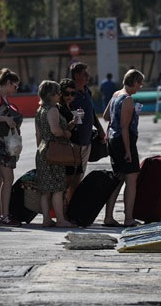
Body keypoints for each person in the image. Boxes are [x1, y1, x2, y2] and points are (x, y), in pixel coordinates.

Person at [103, 70, 144, 227]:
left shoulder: (115, 95)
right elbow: (125, 127)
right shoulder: (127, 100)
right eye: (139, 83)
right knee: (131, 179)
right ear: (133, 82)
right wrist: (128, 151)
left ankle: (108, 216)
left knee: (118, 179)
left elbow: (107, 116)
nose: (140, 87)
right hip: (123, 141)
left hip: (113, 140)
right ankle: (129, 218)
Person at [35, 80, 77, 228]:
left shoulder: (40, 110)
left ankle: (46, 219)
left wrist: (70, 124)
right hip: (54, 151)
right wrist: (67, 133)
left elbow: (38, 135)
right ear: (51, 95)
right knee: (58, 188)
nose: (60, 95)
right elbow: (56, 131)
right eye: (58, 93)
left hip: (43, 150)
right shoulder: (52, 110)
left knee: (45, 189)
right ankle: (60, 219)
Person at [0, 68, 22, 226]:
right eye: (15, 86)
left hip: (1, 141)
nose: (16, 89)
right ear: (8, 83)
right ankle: (4, 215)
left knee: (2, 180)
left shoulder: (3, 97)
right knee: (7, 179)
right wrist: (5, 120)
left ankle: (1, 214)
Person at [70, 63, 106, 198]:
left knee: (80, 174)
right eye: (85, 74)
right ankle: (68, 206)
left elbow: (91, 112)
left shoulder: (87, 91)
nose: (88, 76)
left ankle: (73, 203)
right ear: (76, 75)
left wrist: (101, 130)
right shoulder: (71, 93)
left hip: (86, 139)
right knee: (73, 176)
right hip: (75, 140)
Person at [56, 78, 82, 203]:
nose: (70, 96)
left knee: (75, 179)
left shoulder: (70, 106)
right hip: (66, 149)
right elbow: (61, 130)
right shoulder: (59, 108)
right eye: (67, 93)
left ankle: (70, 208)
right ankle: (63, 211)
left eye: (72, 94)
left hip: (75, 147)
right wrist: (73, 122)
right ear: (60, 93)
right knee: (67, 180)